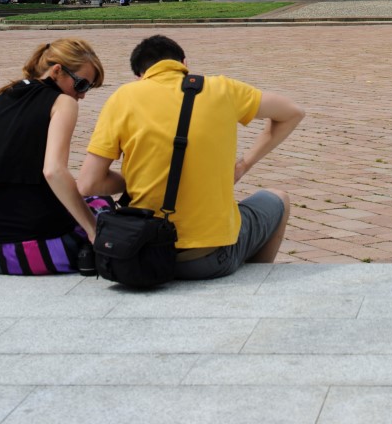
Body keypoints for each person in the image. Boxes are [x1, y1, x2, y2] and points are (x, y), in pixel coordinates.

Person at [78, 34, 305, 280]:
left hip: (143, 252)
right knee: (277, 199)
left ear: (139, 76)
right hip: (210, 258)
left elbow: (89, 183)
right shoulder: (223, 89)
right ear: (185, 64)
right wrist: (243, 166)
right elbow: (292, 112)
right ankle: (256, 282)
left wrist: (141, 176)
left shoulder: (124, 97)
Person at [0, 38, 107, 274]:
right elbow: (54, 171)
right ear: (57, 70)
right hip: (39, 251)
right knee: (102, 205)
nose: (82, 95)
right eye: (81, 85)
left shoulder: (3, 96)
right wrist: (93, 230)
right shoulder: (62, 102)